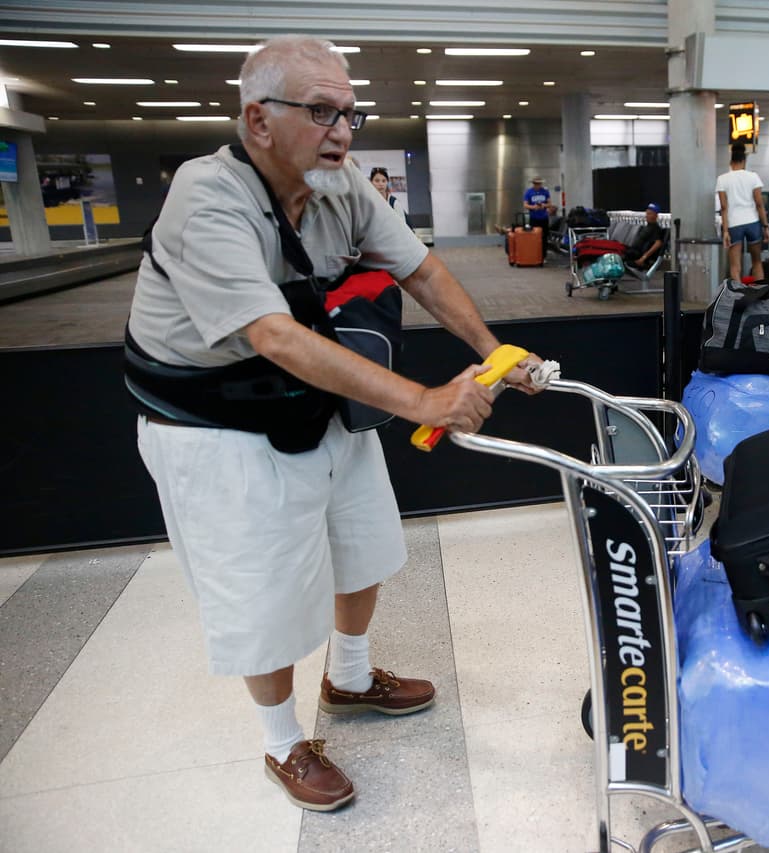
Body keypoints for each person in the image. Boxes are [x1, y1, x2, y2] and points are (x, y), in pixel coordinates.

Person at [124, 35, 543, 813]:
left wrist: (496, 352)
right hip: (211, 421)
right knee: (267, 592)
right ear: (258, 119)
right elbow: (272, 335)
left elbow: (419, 268)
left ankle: (349, 678)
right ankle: (282, 740)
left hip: (305, 395)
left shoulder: (339, 181)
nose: (343, 130)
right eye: (321, 112)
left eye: (349, 112)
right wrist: (422, 401)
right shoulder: (207, 195)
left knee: (365, 544)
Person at [716, 142, 769, 281]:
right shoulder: (753, 176)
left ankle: (738, 298)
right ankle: (759, 295)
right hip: (752, 222)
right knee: (757, 262)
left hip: (734, 224)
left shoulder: (722, 179)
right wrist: (765, 226)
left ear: (731, 161)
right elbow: (759, 204)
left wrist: (726, 231)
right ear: (744, 161)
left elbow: (723, 207)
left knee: (735, 265)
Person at [625, 202, 666, 269]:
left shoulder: (655, 228)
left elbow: (658, 243)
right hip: (631, 251)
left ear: (655, 216)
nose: (647, 216)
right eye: (647, 213)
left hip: (636, 254)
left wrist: (643, 258)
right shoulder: (647, 226)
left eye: (649, 214)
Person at [522, 176, 555, 245]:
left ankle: (544, 253)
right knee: (534, 236)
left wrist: (543, 205)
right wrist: (533, 207)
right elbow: (525, 205)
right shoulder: (529, 192)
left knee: (544, 236)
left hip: (544, 218)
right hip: (534, 218)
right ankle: (535, 253)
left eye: (539, 184)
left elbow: (549, 204)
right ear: (533, 184)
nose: (538, 185)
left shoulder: (545, 192)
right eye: (536, 184)